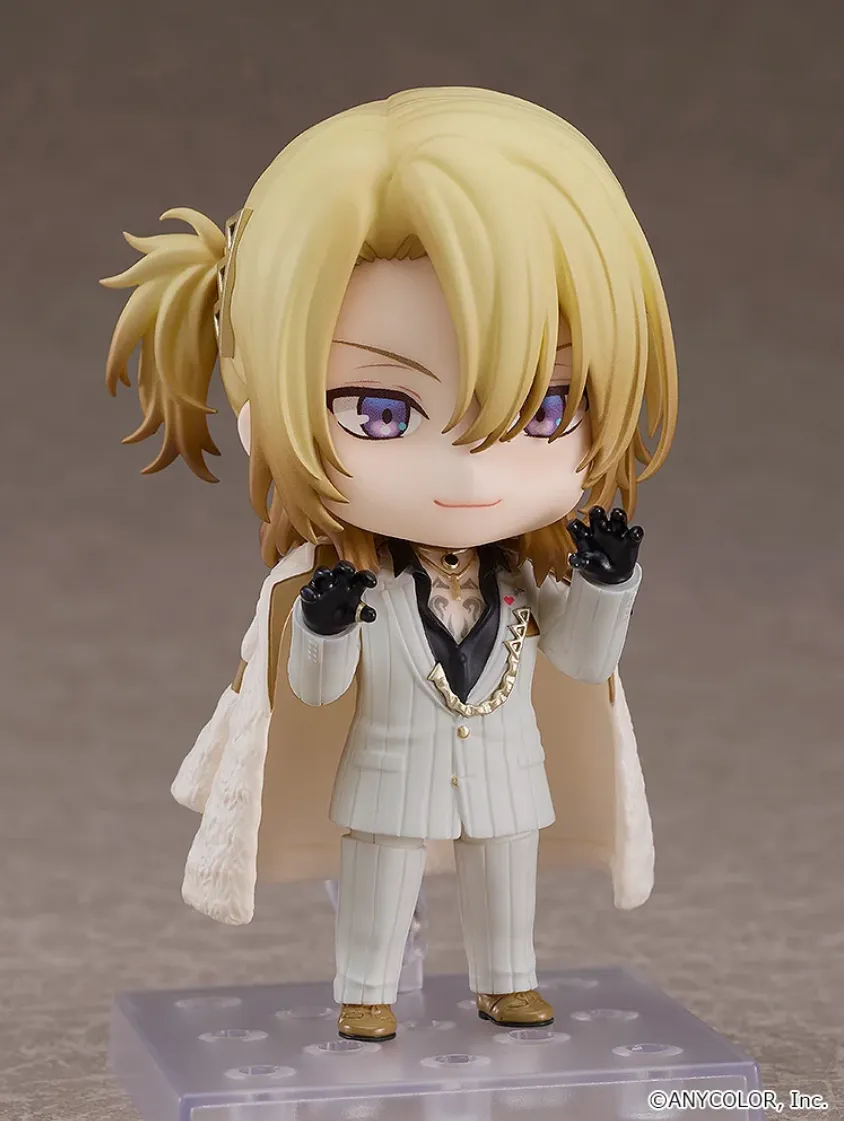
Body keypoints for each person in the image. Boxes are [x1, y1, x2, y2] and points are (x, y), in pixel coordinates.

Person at [102, 87, 678, 1042]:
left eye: (546, 408)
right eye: (380, 411)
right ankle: (365, 989)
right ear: (266, 415)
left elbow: (581, 658)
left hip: (505, 773)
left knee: (507, 877)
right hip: (386, 776)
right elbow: (315, 688)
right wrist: (325, 623)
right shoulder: (352, 587)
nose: (471, 473)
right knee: (378, 880)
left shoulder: (522, 582)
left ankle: (508, 980)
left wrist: (608, 582)